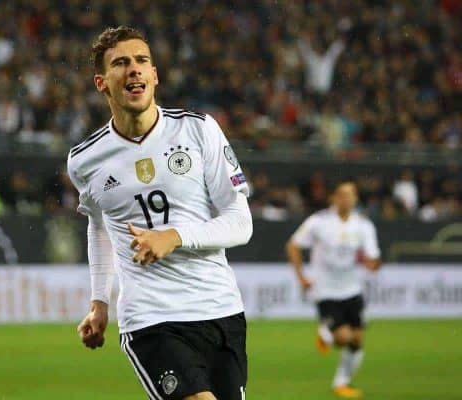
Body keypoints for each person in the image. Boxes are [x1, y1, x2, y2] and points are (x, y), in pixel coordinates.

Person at [67, 26, 252, 400]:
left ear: (154, 76)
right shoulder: (84, 160)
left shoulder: (200, 132)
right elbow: (99, 225)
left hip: (220, 309)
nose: (133, 69)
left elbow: (240, 222)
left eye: (141, 61)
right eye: (121, 63)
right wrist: (99, 302)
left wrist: (175, 237)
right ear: (102, 83)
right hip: (152, 317)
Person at [285, 180, 381, 399]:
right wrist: (301, 277)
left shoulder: (364, 226)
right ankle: (328, 334)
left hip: (352, 289)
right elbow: (293, 245)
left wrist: (372, 264)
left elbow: (374, 258)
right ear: (334, 198)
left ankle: (341, 383)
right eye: (341, 195)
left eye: (350, 195)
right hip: (325, 291)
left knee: (357, 340)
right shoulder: (319, 222)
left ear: (356, 199)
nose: (346, 199)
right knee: (343, 337)